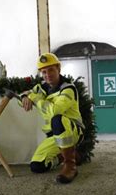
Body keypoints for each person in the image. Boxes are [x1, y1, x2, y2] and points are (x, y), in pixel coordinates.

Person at [20, 53, 84, 184]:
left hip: (72, 131)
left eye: (51, 70)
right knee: (36, 167)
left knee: (57, 118)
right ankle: (67, 155)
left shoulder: (68, 89)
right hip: (54, 136)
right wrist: (25, 96)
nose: (47, 75)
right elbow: (26, 95)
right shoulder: (40, 88)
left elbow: (55, 111)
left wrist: (35, 97)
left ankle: (70, 166)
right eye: (43, 72)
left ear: (58, 69)